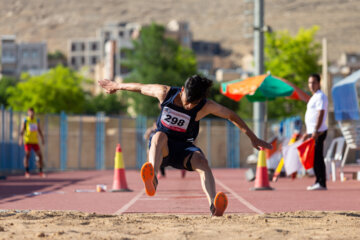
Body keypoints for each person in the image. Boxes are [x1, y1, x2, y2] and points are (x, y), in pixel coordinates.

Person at [99, 75, 272, 216]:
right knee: (159, 135)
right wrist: (116, 85)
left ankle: (214, 206)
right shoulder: (165, 93)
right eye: (187, 101)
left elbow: (231, 115)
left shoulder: (206, 106)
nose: (189, 106)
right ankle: (152, 178)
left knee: (202, 162)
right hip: (163, 148)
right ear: (182, 90)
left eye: (193, 104)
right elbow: (140, 86)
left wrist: (253, 138)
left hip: (184, 149)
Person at [302, 74, 328, 190]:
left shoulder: (321, 96)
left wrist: (316, 130)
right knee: (314, 157)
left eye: (313, 82)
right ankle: (318, 180)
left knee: (318, 157)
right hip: (313, 132)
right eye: (309, 83)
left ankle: (321, 183)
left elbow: (320, 113)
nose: (311, 85)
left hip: (319, 132)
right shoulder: (314, 97)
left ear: (319, 83)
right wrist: (307, 132)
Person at [19, 108, 45, 178]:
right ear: (28, 113)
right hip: (27, 141)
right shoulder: (25, 120)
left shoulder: (36, 120)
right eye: (30, 112)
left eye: (32, 112)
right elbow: (22, 130)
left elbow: (39, 130)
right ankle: (27, 172)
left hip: (35, 141)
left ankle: (41, 172)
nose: (31, 114)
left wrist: (42, 138)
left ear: (34, 113)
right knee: (28, 155)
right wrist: (20, 139)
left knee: (40, 155)